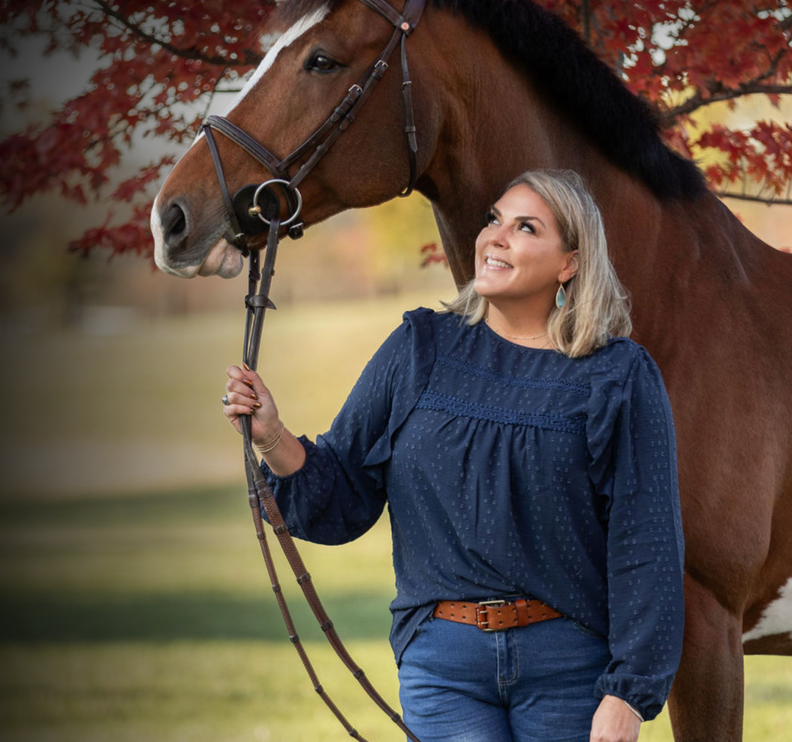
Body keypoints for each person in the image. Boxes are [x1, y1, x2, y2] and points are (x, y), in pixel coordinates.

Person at [222, 169, 684, 742]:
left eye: (525, 227)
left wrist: (628, 694)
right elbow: (342, 496)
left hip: (570, 668)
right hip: (443, 667)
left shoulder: (616, 375)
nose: (496, 236)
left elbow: (647, 542)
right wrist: (272, 436)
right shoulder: (419, 348)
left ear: (569, 262)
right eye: (494, 219)